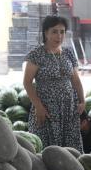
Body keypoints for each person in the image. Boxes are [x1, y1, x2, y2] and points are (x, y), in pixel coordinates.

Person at [23, 15, 85, 151]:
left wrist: (82, 100)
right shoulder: (37, 54)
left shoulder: (68, 53)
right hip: (46, 107)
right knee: (46, 149)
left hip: (68, 107)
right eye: (54, 32)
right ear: (46, 33)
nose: (59, 36)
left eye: (62, 32)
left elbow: (76, 80)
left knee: (70, 150)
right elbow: (27, 83)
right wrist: (38, 106)